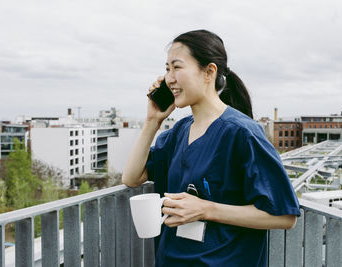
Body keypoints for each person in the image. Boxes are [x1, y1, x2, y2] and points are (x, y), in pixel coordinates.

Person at [122, 29, 300, 267]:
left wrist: (205, 209)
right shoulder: (179, 131)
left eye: (177, 67)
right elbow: (132, 177)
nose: (169, 78)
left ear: (209, 72)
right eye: (167, 69)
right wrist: (152, 121)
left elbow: (285, 216)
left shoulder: (241, 133)